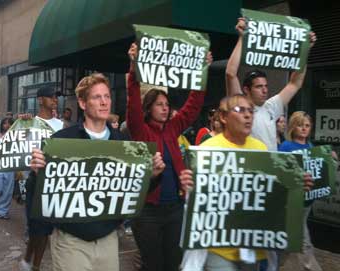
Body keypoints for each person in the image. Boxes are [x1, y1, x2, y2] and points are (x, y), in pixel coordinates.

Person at [27, 73, 165, 271]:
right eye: (96, 97)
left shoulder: (123, 144)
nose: (103, 102)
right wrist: (36, 172)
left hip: (108, 238)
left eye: (107, 96)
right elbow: (39, 193)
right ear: (83, 104)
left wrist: (152, 176)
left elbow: (133, 192)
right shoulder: (62, 140)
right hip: (71, 240)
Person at [179, 95, 313, 271]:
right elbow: (194, 199)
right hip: (217, 247)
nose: (248, 115)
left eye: (250, 110)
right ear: (224, 117)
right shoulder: (207, 151)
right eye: (240, 110)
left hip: (252, 247)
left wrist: (295, 186)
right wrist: (187, 186)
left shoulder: (260, 149)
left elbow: (271, 196)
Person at [126, 43, 212, 271]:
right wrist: (133, 66)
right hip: (147, 212)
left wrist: (202, 70)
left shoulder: (174, 127)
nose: (165, 108)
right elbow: (132, 100)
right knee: (153, 265)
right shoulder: (140, 129)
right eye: (159, 104)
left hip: (175, 208)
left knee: (174, 264)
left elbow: (193, 107)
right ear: (148, 108)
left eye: (167, 104)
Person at [226, 18, 317, 152]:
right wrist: (241, 38)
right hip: (250, 167)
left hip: (271, 168)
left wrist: (305, 50)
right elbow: (230, 74)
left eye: (266, 86)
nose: (264, 90)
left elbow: (295, 83)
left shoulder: (271, 106)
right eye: (258, 87)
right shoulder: (240, 107)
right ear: (246, 89)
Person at [20, 86, 63, 271]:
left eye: (56, 97)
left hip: (53, 182)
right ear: (40, 100)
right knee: (35, 225)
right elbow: (17, 148)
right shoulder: (29, 122)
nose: (55, 99)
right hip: (34, 181)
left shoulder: (61, 125)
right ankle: (28, 258)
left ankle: (34, 265)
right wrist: (21, 124)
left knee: (44, 227)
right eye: (51, 97)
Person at [278, 111, 322, 271]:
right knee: (303, 239)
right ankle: (312, 267)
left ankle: (289, 266)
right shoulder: (286, 146)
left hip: (308, 200)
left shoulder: (311, 147)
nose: (303, 128)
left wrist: (328, 158)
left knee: (297, 239)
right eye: (299, 125)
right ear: (292, 127)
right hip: (292, 200)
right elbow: (280, 171)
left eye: (307, 125)